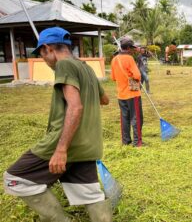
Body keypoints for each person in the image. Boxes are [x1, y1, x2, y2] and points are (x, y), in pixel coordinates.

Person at [3, 27, 112, 222]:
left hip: (64, 142)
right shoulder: (85, 68)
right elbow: (105, 100)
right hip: (88, 146)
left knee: (15, 179)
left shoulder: (64, 66)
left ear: (47, 49)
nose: (44, 59)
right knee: (90, 194)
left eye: (41, 54)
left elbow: (75, 107)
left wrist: (61, 149)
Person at [111, 37, 143, 147]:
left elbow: (113, 77)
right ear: (128, 48)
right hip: (132, 93)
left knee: (125, 118)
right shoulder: (129, 58)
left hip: (121, 94)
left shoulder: (114, 59)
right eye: (132, 48)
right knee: (136, 117)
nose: (132, 50)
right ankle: (137, 142)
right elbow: (137, 75)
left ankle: (126, 141)